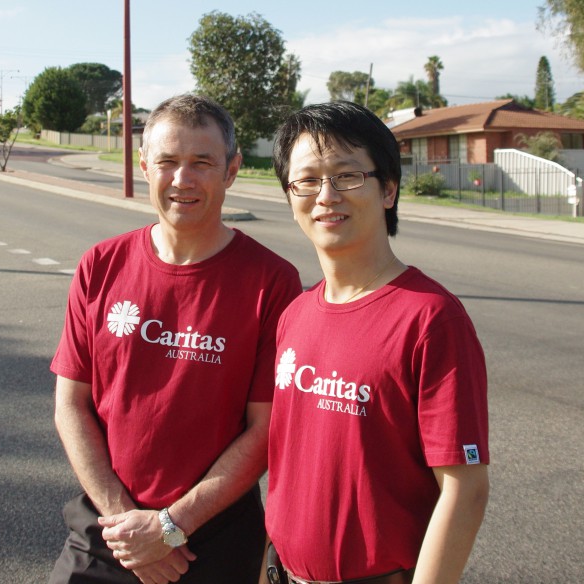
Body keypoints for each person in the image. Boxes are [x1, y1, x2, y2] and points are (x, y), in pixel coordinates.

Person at [49, 93, 301, 584]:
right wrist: (129, 527)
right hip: (109, 528)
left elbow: (266, 429)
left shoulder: (272, 282)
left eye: (202, 163)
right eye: (167, 162)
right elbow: (70, 406)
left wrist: (169, 526)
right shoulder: (100, 265)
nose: (182, 180)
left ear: (231, 170)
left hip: (214, 535)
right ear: (144, 166)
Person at [265, 101, 490, 584]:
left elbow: (465, 490)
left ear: (388, 189)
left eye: (347, 177)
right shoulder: (295, 315)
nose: (326, 196)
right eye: (306, 180)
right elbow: (291, 466)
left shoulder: (431, 318)